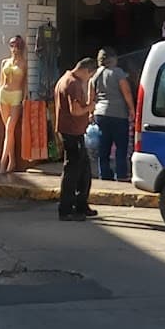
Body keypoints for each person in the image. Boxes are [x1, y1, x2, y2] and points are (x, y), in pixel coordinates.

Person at [54, 57, 98, 221]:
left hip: (74, 131)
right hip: (71, 133)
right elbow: (75, 111)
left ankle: (81, 205)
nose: (89, 80)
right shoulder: (73, 83)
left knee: (84, 171)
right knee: (72, 172)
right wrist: (90, 107)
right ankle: (66, 209)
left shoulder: (65, 79)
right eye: (90, 76)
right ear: (87, 71)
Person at [90, 49, 136, 182]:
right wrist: (132, 109)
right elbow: (126, 92)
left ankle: (104, 175)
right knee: (121, 147)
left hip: (100, 114)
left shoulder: (95, 75)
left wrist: (91, 113)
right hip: (118, 114)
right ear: (113, 59)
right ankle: (121, 175)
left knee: (103, 147)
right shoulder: (118, 73)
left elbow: (91, 96)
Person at [0, 36, 26, 174]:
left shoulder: (24, 64)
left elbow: (25, 83)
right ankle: (12, 161)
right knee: (8, 131)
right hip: (4, 95)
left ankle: (2, 163)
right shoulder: (4, 62)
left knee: (9, 129)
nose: (15, 49)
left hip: (16, 96)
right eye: (12, 46)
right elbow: (1, 82)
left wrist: (25, 98)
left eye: (17, 46)